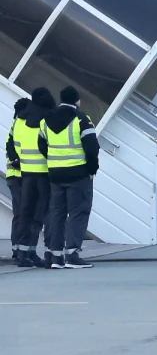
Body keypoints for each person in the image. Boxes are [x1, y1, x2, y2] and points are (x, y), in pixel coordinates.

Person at [39, 86, 99, 269]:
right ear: (77, 101)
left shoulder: (46, 120)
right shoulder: (82, 120)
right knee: (78, 212)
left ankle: (56, 256)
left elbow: (41, 145)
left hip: (55, 174)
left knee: (56, 213)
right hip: (78, 174)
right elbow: (92, 148)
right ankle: (72, 255)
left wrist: (54, 161)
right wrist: (92, 169)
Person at [11, 90, 53, 268]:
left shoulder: (19, 120)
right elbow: (48, 145)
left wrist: (18, 161)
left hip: (25, 173)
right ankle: (33, 251)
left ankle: (22, 254)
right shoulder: (47, 119)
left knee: (25, 214)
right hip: (43, 172)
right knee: (40, 214)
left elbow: (11, 143)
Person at [5, 97, 29, 263]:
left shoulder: (14, 126)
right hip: (21, 175)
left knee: (18, 214)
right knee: (23, 214)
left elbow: (10, 148)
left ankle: (17, 248)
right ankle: (21, 249)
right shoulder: (23, 125)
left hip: (13, 176)